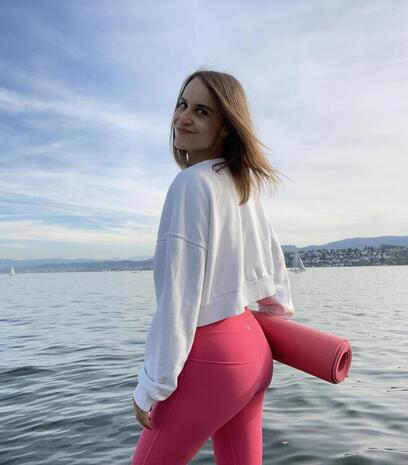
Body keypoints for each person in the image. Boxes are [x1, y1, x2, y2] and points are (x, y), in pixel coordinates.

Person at [130, 69, 295, 465]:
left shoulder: (190, 185)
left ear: (225, 128)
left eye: (202, 111)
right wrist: (273, 320)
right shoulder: (242, 187)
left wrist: (151, 385)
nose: (183, 117)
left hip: (213, 359)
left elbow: (179, 300)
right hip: (254, 349)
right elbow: (274, 272)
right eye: (182, 105)